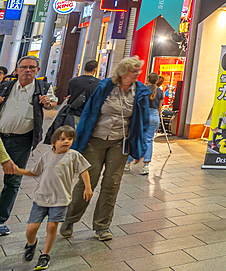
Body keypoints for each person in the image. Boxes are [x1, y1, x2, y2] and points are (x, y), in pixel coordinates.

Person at [61, 56, 150, 241]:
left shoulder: (140, 92)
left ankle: (102, 226)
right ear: (124, 73)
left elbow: (143, 122)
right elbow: (88, 113)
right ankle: (69, 220)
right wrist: (79, 142)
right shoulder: (105, 87)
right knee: (88, 182)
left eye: (138, 71)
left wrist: (139, 149)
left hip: (120, 142)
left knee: (112, 184)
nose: (138, 74)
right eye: (135, 71)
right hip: (95, 140)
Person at [14, 126, 92, 270]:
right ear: (53, 142)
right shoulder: (46, 156)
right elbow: (35, 172)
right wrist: (19, 171)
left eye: (69, 139)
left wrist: (88, 187)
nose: (66, 142)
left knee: (51, 227)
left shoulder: (74, 155)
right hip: (41, 199)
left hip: (60, 200)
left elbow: (84, 170)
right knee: (31, 229)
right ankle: (31, 244)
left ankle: (45, 255)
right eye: (62, 139)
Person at [0, 56, 55, 236]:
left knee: (13, 181)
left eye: (32, 67)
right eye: (24, 67)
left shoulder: (43, 89)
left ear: (37, 70)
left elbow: (52, 103)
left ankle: (0, 220)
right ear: (17, 70)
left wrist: (48, 103)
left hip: (21, 141)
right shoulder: (5, 86)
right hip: (0, 137)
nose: (27, 70)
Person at [133, 72, 164, 176]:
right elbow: (160, 107)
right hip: (155, 116)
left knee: (135, 137)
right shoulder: (159, 91)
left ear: (147, 79)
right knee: (149, 140)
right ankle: (146, 165)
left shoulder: (144, 90)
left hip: (143, 115)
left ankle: (128, 163)